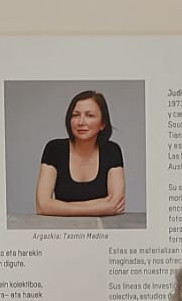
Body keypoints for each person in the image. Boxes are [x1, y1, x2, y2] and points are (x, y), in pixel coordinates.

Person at [36, 89, 129, 218]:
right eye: (75, 115)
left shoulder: (112, 151)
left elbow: (115, 203)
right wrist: (100, 207)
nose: (81, 122)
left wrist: (60, 207)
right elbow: (42, 206)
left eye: (90, 115)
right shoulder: (54, 149)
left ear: (102, 123)